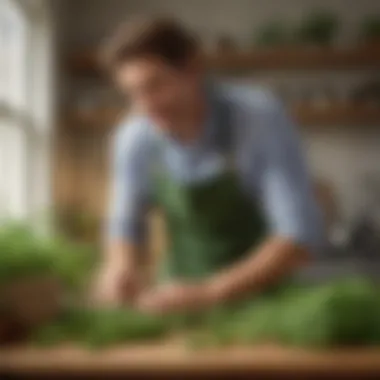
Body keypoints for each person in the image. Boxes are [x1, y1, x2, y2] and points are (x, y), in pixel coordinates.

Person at [94, 17, 323, 314]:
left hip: (266, 305)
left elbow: (298, 234)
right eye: (133, 94)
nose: (145, 106)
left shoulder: (258, 118)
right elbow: (124, 225)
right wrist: (119, 266)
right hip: (177, 305)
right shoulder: (134, 136)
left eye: (155, 85)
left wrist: (212, 291)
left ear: (192, 69)